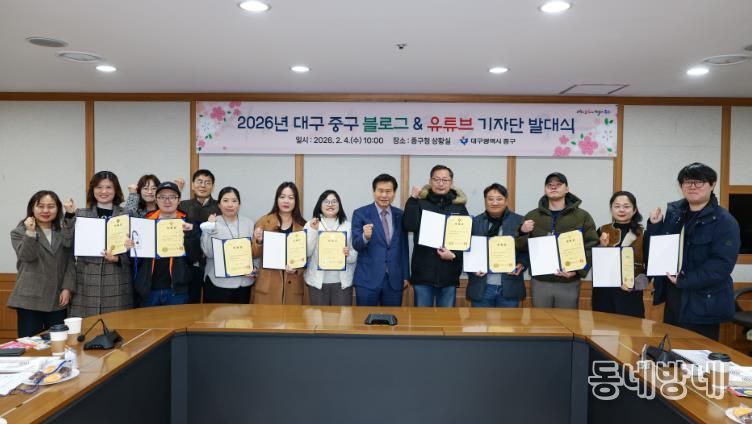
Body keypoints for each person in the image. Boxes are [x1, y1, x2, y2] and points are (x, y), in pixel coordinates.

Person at [646, 163, 740, 340]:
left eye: (699, 182)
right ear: (681, 186)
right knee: (672, 349)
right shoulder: (675, 215)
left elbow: (721, 265)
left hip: (704, 301)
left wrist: (684, 279)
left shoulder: (724, 221)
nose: (693, 186)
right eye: (687, 182)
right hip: (674, 296)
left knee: (699, 353)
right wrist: (655, 226)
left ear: (712, 185)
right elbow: (659, 249)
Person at [517, 172, 598, 309]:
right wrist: (522, 232)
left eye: (558, 184)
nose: (553, 187)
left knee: (567, 320)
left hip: (569, 281)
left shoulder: (582, 216)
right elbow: (521, 247)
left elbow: (591, 245)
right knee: (541, 320)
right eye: (550, 185)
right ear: (545, 189)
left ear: (567, 189)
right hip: (540, 281)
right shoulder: (532, 216)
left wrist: (577, 271)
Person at [62, 171, 133, 317]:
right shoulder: (80, 214)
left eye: (109, 187)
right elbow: (66, 242)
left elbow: (137, 254)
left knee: (116, 325)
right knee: (86, 326)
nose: (104, 191)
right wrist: (69, 215)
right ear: (92, 190)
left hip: (117, 281)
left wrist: (119, 259)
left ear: (116, 190)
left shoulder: (127, 214)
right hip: (86, 281)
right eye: (99, 187)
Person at [8, 190, 75, 337]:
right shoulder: (19, 232)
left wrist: (67, 288)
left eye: (51, 206)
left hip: (57, 298)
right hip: (30, 299)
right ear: (32, 208)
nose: (45, 210)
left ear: (58, 209)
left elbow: (70, 262)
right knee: (30, 343)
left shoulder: (63, 232)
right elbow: (27, 256)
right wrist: (30, 233)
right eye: (40, 206)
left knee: (59, 341)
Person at [403, 165, 469, 307]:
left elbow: (464, 238)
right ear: (430, 181)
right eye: (436, 179)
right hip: (423, 272)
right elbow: (409, 226)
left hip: (449, 273)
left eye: (445, 180)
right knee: (422, 317)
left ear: (451, 183)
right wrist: (413, 199)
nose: (440, 183)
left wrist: (453, 255)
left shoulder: (459, 207)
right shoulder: (420, 202)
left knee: (446, 318)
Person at [131, 182, 201, 306]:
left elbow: (194, 257)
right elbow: (136, 261)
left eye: (172, 197)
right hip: (149, 290)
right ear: (156, 200)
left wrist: (190, 235)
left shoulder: (188, 223)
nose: (167, 201)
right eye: (162, 197)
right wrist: (131, 248)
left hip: (177, 290)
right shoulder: (145, 223)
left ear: (179, 200)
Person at [466, 183, 529, 308]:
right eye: (490, 199)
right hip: (481, 286)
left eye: (499, 199)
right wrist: (472, 268)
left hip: (509, 286)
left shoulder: (519, 221)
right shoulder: (474, 222)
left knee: (509, 321)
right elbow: (466, 250)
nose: (494, 203)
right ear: (485, 201)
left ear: (506, 200)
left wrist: (521, 264)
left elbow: (527, 249)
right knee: (479, 320)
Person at [351, 174, 410, 307]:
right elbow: (356, 244)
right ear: (374, 192)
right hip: (367, 279)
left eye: (388, 191)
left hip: (394, 279)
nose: (384, 195)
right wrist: (365, 237)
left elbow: (403, 247)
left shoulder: (400, 215)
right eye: (380, 191)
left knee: (392, 318)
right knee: (364, 318)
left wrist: (405, 275)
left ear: (394, 193)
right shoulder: (360, 213)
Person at [592, 191, 647, 318]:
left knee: (630, 328)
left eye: (626, 206)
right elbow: (593, 260)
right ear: (611, 209)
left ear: (634, 210)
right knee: (602, 327)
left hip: (630, 292)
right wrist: (602, 246)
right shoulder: (602, 230)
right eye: (617, 206)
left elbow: (650, 265)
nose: (621, 210)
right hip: (604, 292)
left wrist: (636, 285)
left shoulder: (643, 234)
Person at [251, 182, 307, 304]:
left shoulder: (303, 226)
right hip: (268, 286)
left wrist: (296, 269)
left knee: (292, 316)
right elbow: (254, 254)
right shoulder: (264, 222)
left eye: (291, 197)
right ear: (277, 199)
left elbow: (308, 259)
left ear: (296, 201)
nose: (286, 201)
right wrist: (259, 241)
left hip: (292, 286)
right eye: (282, 197)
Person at [200, 187, 257, 304]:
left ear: (239, 204)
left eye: (234, 201)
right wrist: (211, 228)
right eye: (225, 200)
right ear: (219, 205)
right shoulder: (212, 223)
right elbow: (208, 253)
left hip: (243, 283)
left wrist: (255, 268)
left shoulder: (249, 223)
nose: (230, 204)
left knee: (243, 316)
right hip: (218, 283)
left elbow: (255, 250)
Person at [303, 190, 357, 306]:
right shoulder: (311, 224)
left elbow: (354, 256)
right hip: (317, 282)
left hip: (342, 282)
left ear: (339, 205)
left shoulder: (348, 226)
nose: (330, 204)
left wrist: (348, 255)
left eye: (334, 201)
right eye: (326, 202)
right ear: (320, 205)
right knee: (317, 316)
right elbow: (306, 253)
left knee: (343, 317)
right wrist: (314, 231)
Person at [179, 169, 220, 304]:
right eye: (199, 181)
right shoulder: (182, 205)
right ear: (192, 185)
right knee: (191, 301)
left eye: (207, 182)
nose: (203, 185)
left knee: (212, 302)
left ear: (212, 186)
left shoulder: (220, 206)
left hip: (213, 262)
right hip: (189, 262)